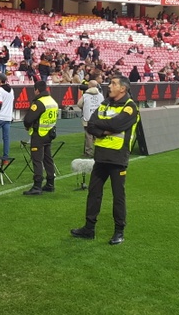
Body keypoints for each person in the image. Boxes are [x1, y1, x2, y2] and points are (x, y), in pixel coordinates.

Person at [71, 77, 139, 246]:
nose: (110, 86)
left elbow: (117, 124)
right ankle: (89, 228)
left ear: (123, 89)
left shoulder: (130, 106)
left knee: (118, 196)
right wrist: (104, 131)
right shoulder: (105, 103)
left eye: (114, 84)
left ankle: (119, 231)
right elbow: (91, 124)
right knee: (94, 193)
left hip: (117, 158)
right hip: (100, 156)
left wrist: (104, 126)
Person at [22, 80, 59, 196]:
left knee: (37, 160)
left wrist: (27, 126)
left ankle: (37, 185)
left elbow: (28, 119)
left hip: (39, 134)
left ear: (37, 90)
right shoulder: (52, 101)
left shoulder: (39, 103)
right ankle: (50, 183)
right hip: (49, 133)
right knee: (48, 159)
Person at [76, 81, 104, 157]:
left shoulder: (85, 95)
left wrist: (84, 108)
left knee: (89, 136)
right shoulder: (100, 95)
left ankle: (88, 152)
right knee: (98, 135)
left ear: (90, 86)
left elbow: (79, 104)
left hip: (88, 118)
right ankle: (99, 152)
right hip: (98, 118)